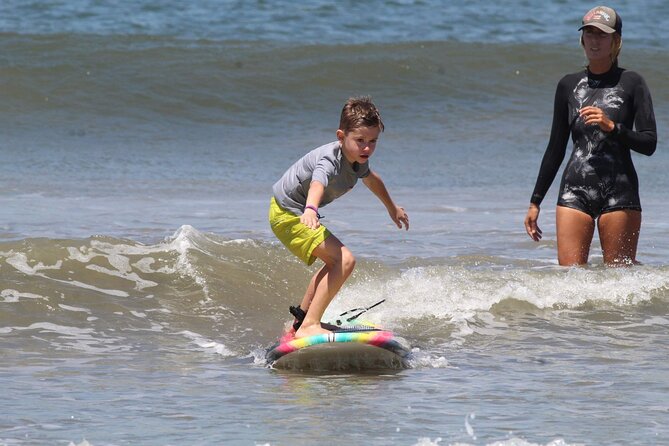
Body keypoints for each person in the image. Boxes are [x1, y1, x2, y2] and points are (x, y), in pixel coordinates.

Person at [524, 6, 657, 266]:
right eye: (589, 33)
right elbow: (555, 148)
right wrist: (535, 201)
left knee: (620, 281)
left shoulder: (632, 83)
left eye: (602, 34)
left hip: (619, 191)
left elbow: (649, 143)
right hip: (574, 189)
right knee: (570, 281)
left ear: (615, 41)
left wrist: (613, 127)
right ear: (582, 39)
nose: (594, 40)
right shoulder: (568, 85)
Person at [269, 96, 409, 338]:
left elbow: (373, 180)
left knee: (335, 262)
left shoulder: (356, 160)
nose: (367, 148)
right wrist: (311, 210)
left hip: (294, 212)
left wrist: (392, 208)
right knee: (344, 261)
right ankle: (310, 325)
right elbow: (317, 183)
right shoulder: (329, 160)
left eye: (373, 141)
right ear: (341, 137)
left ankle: (301, 320)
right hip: (290, 213)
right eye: (360, 141)